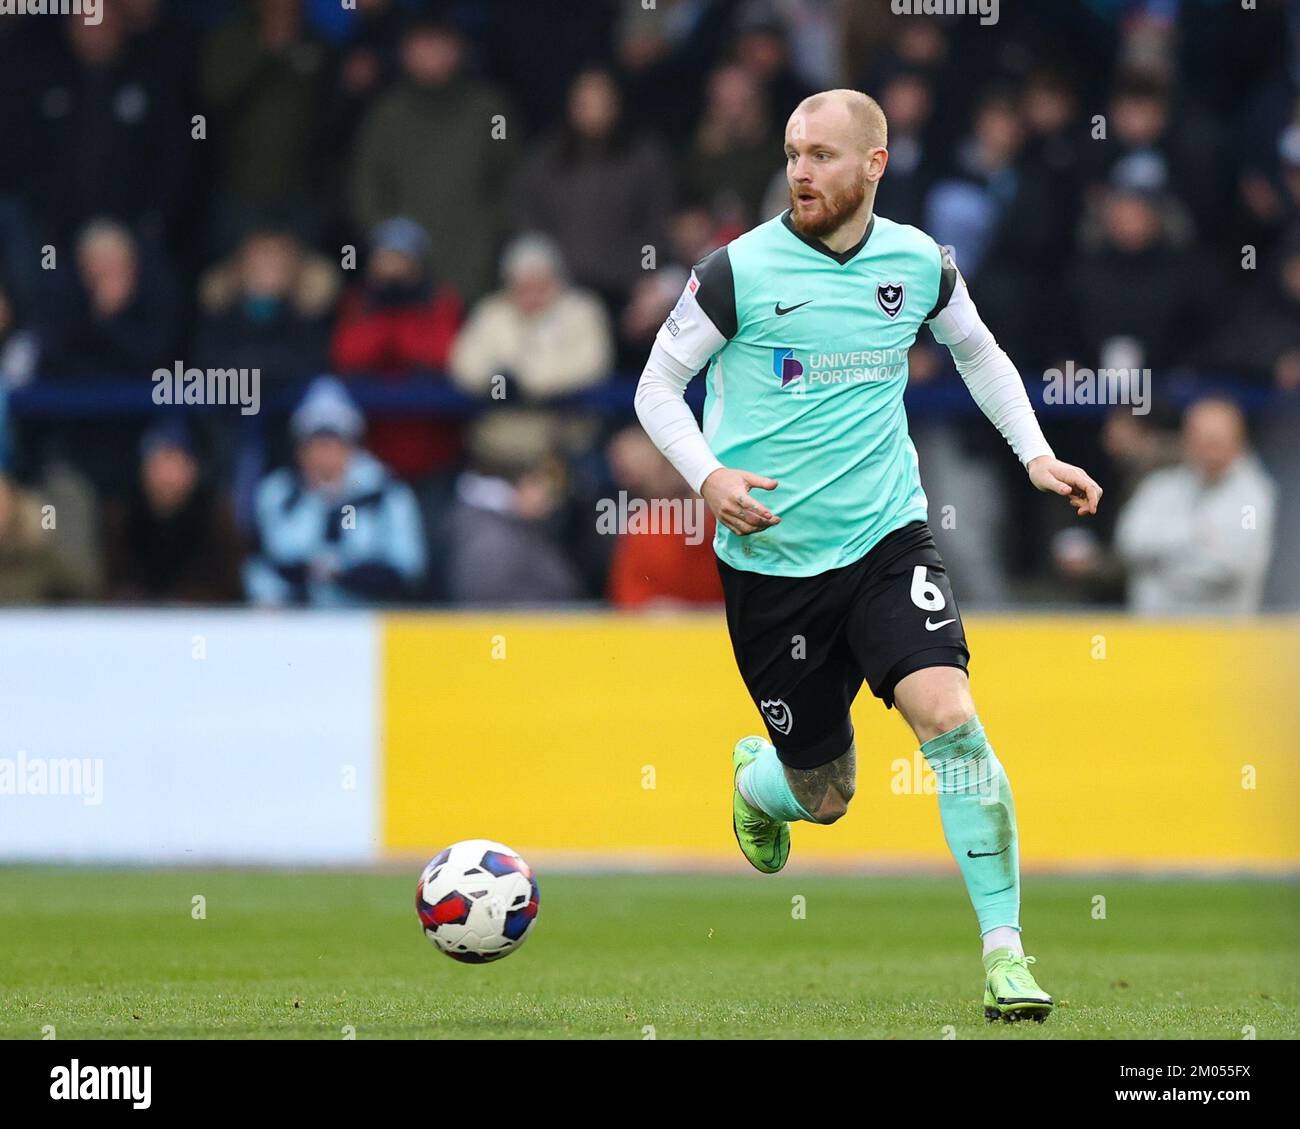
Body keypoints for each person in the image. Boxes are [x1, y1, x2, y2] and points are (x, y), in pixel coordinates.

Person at [634, 89, 1103, 1023]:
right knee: (829, 791)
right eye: (792, 153)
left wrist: (1037, 453)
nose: (800, 171)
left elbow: (980, 353)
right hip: (771, 566)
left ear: (874, 165)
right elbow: (657, 384)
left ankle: (1006, 952)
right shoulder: (737, 272)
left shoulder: (919, 263)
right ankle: (758, 783)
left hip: (887, 538)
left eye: (820, 155)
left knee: (952, 719)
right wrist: (708, 476)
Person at [245, 377, 425, 607]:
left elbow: (407, 571)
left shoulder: (386, 494)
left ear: (352, 448)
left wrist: (342, 573)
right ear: (300, 450)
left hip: (370, 620)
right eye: (315, 445)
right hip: (296, 624)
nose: (325, 457)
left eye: (333, 444)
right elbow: (263, 567)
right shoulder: (278, 494)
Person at [1114, 399, 1277, 616]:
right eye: (1199, 438)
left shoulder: (1254, 500)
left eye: (1215, 439)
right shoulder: (1159, 487)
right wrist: (1194, 537)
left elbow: (1236, 563)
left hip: (1225, 639)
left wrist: (1161, 569)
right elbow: (1130, 543)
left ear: (1238, 441)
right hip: (1154, 637)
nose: (1207, 448)